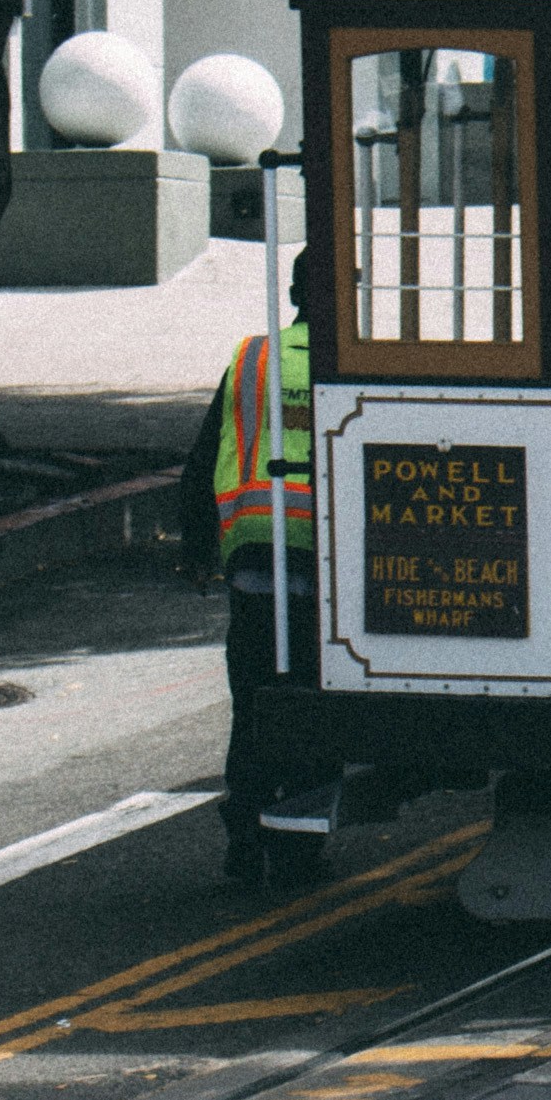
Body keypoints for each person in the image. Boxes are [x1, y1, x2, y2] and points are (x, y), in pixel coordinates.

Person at [202, 250, 329, 881]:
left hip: (254, 553)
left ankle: (245, 836)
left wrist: (200, 551)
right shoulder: (355, 361)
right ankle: (301, 844)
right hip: (328, 562)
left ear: (294, 292)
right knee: (315, 700)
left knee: (253, 701)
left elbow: (205, 457)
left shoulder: (252, 358)